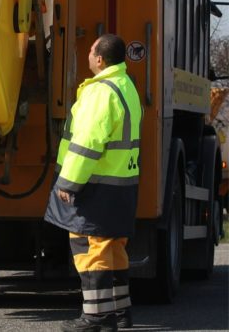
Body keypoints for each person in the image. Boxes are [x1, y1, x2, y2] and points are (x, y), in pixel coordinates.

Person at [44, 34, 142, 332]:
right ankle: (120, 313)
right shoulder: (126, 86)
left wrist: (68, 183)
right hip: (121, 183)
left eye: (90, 51)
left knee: (89, 247)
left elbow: (86, 144)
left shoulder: (100, 93)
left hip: (96, 185)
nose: (87, 54)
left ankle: (97, 318)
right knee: (113, 247)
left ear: (100, 59)